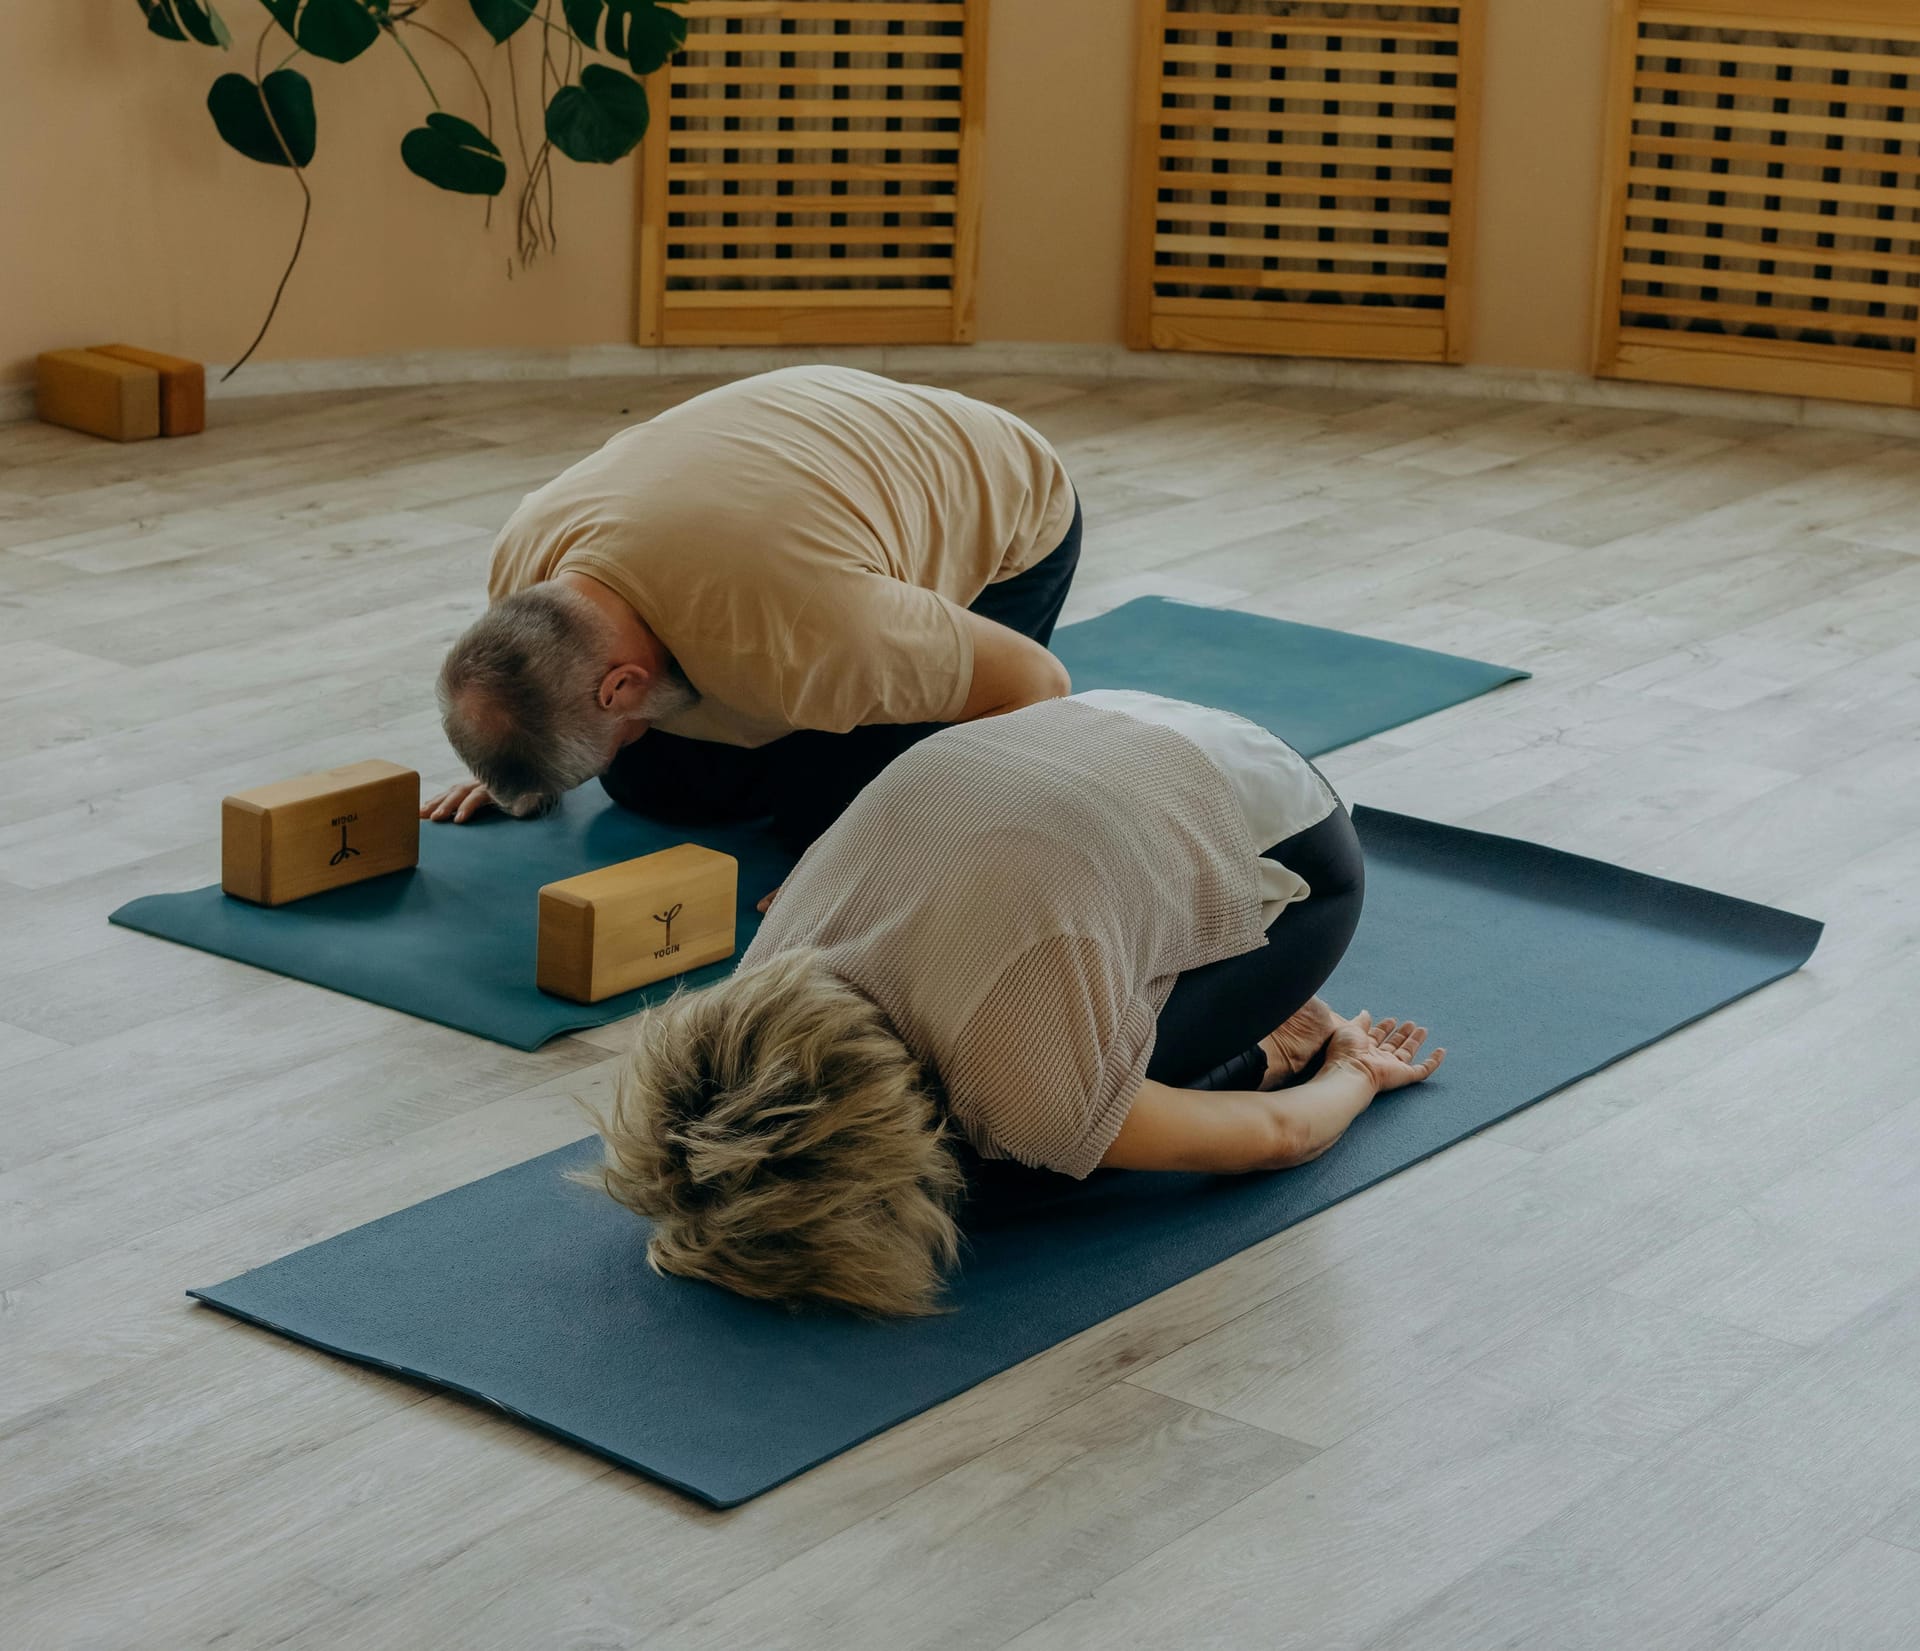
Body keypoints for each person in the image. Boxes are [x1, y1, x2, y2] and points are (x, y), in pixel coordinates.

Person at [579, 690, 1444, 1316]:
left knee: (1011, 1170)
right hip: (1107, 721)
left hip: (1292, 828)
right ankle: (1151, 969)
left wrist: (1357, 1074)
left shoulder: (1022, 1094)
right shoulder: (768, 973)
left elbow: (1280, 1137)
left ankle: (1275, 1038)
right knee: (1032, 1104)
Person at [424, 365, 1081, 851]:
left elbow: (1037, 683)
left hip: (1003, 491)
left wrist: (870, 858)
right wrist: (522, 763)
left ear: (620, 683)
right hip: (799, 442)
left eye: (617, 722)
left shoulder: (812, 629)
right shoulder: (525, 557)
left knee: (827, 819)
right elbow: (521, 693)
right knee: (652, 786)